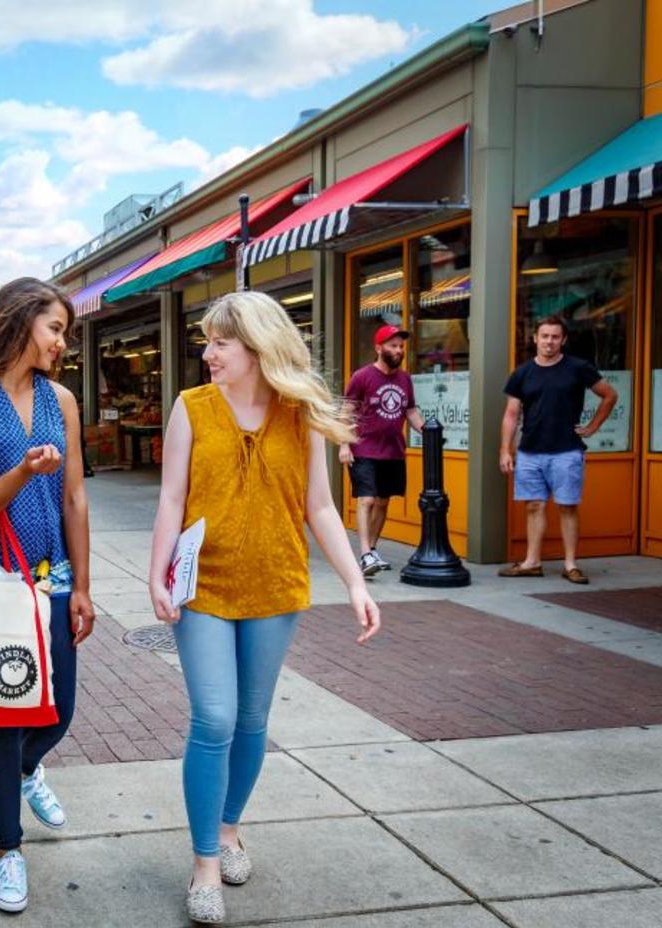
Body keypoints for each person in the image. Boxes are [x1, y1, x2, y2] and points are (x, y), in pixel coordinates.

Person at [147, 291, 381, 924]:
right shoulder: (191, 407)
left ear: (256, 346)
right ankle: (202, 864)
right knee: (215, 718)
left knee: (252, 719)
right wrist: (157, 572)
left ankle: (229, 830)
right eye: (209, 341)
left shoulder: (299, 413)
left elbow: (321, 507)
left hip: (277, 585)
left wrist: (357, 582)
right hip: (206, 588)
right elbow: (172, 499)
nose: (208, 352)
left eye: (221, 342)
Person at [0, 278, 95, 914]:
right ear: (21, 320)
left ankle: (28, 772)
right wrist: (24, 470)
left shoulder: (62, 400)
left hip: (52, 575)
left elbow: (75, 497)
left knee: (56, 710)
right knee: (3, 717)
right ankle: (9, 850)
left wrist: (84, 584)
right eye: (55, 328)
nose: (63, 343)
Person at [498, 314, 618, 584]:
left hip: (567, 450)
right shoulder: (522, 373)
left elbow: (610, 395)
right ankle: (532, 562)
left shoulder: (578, 368)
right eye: (544, 336)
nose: (549, 342)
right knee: (534, 506)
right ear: (535, 339)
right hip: (529, 451)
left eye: (555, 337)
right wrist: (505, 450)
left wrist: (592, 427)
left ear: (563, 340)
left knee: (567, 506)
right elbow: (511, 414)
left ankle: (571, 564)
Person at [339, 324, 424, 577]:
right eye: (393, 346)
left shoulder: (405, 379)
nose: (398, 350)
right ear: (379, 348)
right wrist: (344, 444)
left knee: (383, 502)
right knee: (366, 499)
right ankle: (364, 553)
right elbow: (347, 411)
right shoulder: (362, 376)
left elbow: (410, 411)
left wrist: (428, 430)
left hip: (393, 450)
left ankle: (372, 550)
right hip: (363, 447)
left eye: (400, 346)